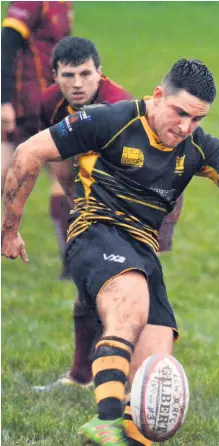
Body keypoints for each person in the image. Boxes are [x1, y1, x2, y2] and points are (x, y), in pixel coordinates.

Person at [1, 59, 219, 445]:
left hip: (143, 249)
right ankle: (105, 421)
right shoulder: (111, 121)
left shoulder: (197, 144)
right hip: (96, 231)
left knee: (154, 380)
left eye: (197, 119)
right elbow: (28, 152)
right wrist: (9, 230)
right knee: (128, 310)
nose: (185, 127)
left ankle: (123, 434)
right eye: (180, 113)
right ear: (158, 96)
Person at [28, 36, 133, 393]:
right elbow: (57, 158)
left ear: (100, 74)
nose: (77, 84)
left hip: (145, 200)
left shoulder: (119, 106)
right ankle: (82, 376)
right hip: (92, 198)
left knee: (130, 288)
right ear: (53, 76)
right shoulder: (49, 103)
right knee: (88, 285)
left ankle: (129, 375)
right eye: (68, 75)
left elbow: (140, 175)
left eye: (85, 74)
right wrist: (76, 200)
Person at [1, 1, 72, 189]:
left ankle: (63, 217)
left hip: (51, 101)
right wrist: (4, 101)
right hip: (25, 101)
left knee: (63, 175)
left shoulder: (63, 4)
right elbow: (6, 46)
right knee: (62, 174)